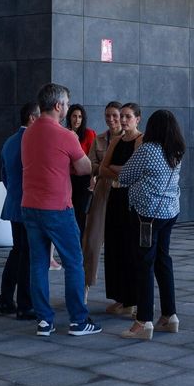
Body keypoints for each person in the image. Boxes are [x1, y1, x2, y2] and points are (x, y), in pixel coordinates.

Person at [20, 82, 99, 337]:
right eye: (66, 104)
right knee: (74, 262)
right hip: (57, 207)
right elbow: (86, 167)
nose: (67, 108)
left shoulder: (28, 133)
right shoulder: (66, 135)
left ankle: (44, 321)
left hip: (30, 206)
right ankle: (78, 320)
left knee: (39, 263)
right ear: (58, 105)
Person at [117, 109, 185, 340]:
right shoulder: (177, 151)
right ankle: (169, 316)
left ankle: (143, 321)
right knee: (163, 260)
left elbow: (125, 176)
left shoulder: (147, 150)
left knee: (144, 264)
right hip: (170, 212)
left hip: (147, 215)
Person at [100, 103, 143, 316]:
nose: (123, 120)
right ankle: (120, 296)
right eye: (122, 116)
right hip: (115, 197)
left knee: (130, 249)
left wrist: (115, 170)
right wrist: (120, 171)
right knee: (114, 248)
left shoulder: (140, 140)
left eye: (128, 117)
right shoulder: (116, 140)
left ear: (137, 119)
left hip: (131, 200)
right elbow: (101, 168)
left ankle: (132, 300)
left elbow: (134, 172)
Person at [0, 102, 37, 320]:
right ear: (32, 118)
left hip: (12, 203)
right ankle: (25, 304)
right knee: (27, 255)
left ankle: (5, 299)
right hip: (28, 205)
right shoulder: (30, 141)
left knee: (17, 252)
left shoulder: (9, 141)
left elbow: (4, 174)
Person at [82, 102, 121, 296]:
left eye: (115, 115)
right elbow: (91, 165)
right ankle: (85, 286)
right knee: (92, 240)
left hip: (124, 192)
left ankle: (125, 296)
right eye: (108, 115)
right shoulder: (98, 139)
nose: (111, 119)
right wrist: (111, 169)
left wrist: (105, 168)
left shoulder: (132, 140)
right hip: (102, 190)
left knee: (122, 244)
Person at [67, 104, 96, 228]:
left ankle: (81, 244)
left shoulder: (89, 134)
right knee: (70, 213)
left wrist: (92, 178)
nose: (77, 120)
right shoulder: (64, 134)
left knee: (82, 213)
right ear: (69, 117)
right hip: (69, 179)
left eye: (80, 116)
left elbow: (91, 158)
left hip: (84, 179)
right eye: (74, 116)